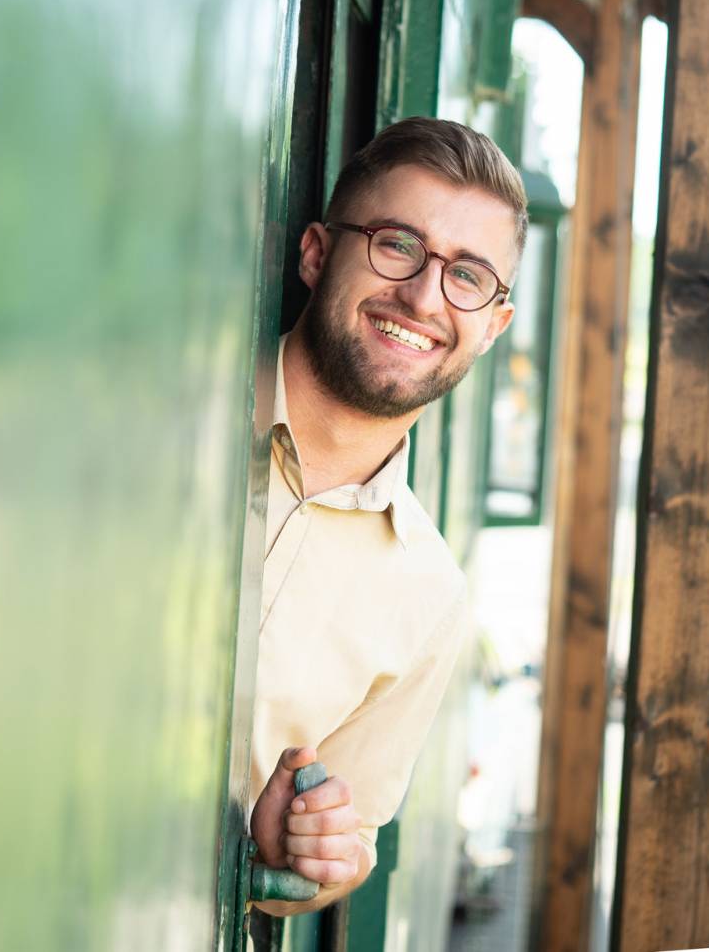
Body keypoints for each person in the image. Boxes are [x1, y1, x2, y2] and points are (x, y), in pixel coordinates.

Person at [249, 117, 527, 917]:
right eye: (398, 244)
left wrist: (317, 856)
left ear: (492, 326)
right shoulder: (157, 410)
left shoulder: (430, 596)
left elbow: (344, 847)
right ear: (315, 253)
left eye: (468, 276)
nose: (423, 296)